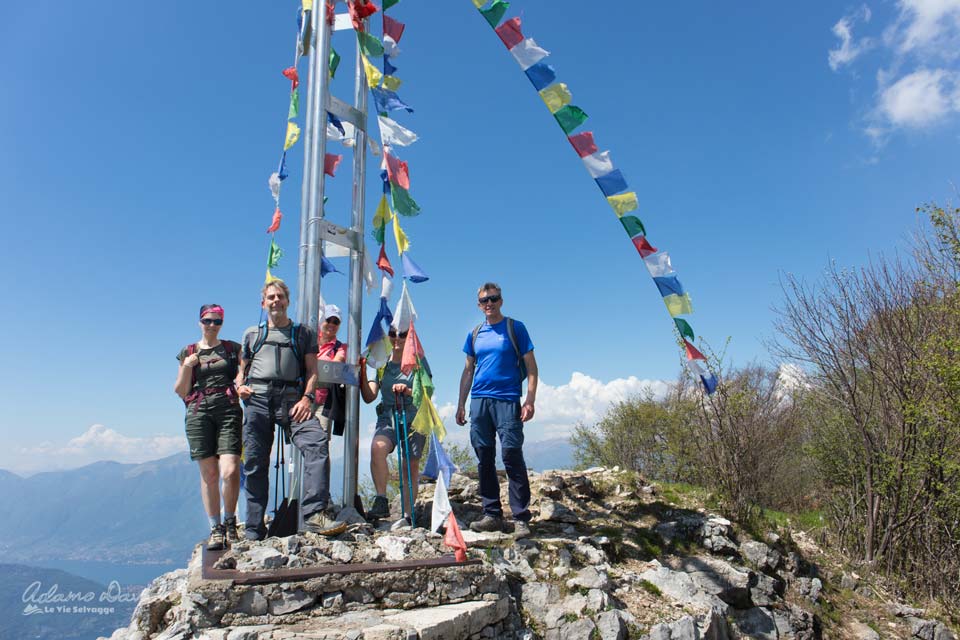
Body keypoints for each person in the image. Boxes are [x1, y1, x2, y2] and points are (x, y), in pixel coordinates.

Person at [236, 279, 346, 539]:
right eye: (271, 297)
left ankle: (314, 514)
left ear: (287, 301)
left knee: (316, 441)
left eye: (280, 297)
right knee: (254, 461)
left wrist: (307, 398)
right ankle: (253, 528)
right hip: (258, 399)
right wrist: (240, 386)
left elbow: (312, 371)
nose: (276, 301)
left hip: (293, 400)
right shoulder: (252, 334)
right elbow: (241, 371)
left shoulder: (303, 333)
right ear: (264, 303)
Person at [456, 283, 538, 538]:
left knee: (512, 454)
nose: (489, 303)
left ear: (501, 301)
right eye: (484, 301)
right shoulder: (475, 333)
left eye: (493, 299)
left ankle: (521, 517)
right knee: (484, 457)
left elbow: (532, 369)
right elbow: (468, 369)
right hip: (480, 400)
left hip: (508, 399)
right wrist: (460, 403)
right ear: (479, 305)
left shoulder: (516, 328)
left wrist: (530, 400)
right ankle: (492, 514)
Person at [173, 304, 243, 550]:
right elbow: (181, 390)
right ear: (200, 322)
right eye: (207, 320)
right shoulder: (188, 352)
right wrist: (188, 366)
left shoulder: (233, 349)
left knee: (230, 471)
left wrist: (240, 383)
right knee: (209, 474)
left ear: (222, 323)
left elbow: (242, 374)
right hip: (198, 411)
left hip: (228, 409)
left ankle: (230, 521)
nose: (212, 325)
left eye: (216, 321)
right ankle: (216, 528)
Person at [359, 326, 431, 523]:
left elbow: (427, 391)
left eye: (402, 334)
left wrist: (407, 390)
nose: (397, 338)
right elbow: (369, 396)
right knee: (377, 448)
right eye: (392, 334)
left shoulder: (417, 360)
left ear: (409, 336)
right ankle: (381, 500)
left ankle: (408, 515)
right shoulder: (382, 363)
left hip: (414, 418)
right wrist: (362, 372)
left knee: (410, 465)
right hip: (388, 417)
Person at [315, 304, 347, 433]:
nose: (332, 324)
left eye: (336, 322)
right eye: (329, 320)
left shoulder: (341, 347)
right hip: (304, 398)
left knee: (320, 441)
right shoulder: (309, 342)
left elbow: (334, 365)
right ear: (322, 320)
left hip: (324, 404)